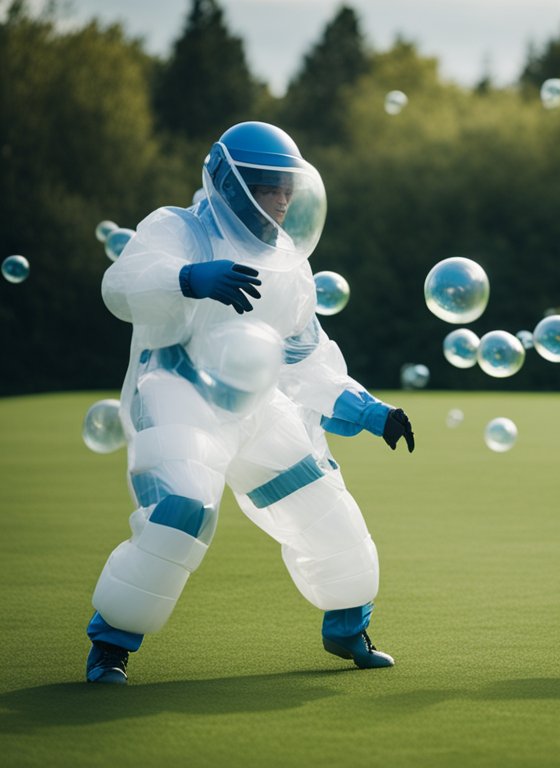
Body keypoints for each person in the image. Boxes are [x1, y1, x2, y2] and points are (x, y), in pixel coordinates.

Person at [85, 121, 416, 684]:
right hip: (179, 392)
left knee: (330, 516)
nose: (283, 200)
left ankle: (347, 630)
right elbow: (123, 282)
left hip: (259, 409)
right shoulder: (179, 229)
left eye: (287, 187)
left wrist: (369, 410)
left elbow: (306, 355)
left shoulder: (290, 263)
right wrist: (187, 277)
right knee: (182, 509)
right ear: (233, 187)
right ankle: (112, 644)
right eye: (268, 187)